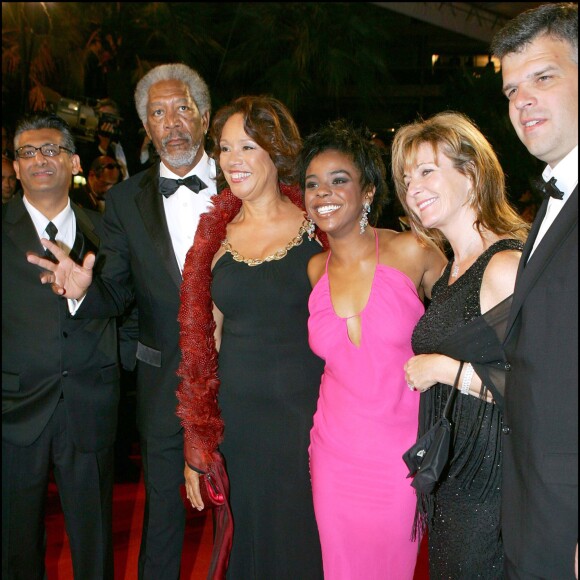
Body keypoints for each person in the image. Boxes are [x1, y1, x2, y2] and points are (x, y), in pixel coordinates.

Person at [26, 63, 217, 579]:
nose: (172, 122)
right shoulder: (126, 199)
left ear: (205, 117)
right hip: (163, 383)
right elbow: (116, 291)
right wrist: (85, 292)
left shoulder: (245, 181)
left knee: (248, 503)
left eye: (182, 108)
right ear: (147, 128)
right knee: (162, 513)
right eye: (158, 113)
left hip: (244, 372)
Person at [177, 95, 325, 579]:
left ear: (275, 151)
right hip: (239, 426)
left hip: (308, 421)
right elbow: (202, 347)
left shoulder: (320, 227)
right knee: (245, 551)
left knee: (303, 545)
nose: (233, 160)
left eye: (247, 146)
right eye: (224, 149)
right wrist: (198, 440)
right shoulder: (212, 238)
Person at [298, 119, 447, 579]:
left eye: (339, 180)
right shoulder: (313, 269)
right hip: (333, 453)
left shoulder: (413, 251)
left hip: (400, 455)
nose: (323, 192)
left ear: (367, 191)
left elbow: (468, 312)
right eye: (312, 184)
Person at [391, 111, 529, 579]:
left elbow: (541, 391)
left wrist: (442, 369)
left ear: (471, 174)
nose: (413, 189)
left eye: (427, 171)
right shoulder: (454, 271)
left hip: (492, 490)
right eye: (407, 178)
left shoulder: (503, 265)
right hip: (458, 482)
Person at [2, 112, 119, 579]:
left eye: (50, 149)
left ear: (73, 160)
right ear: (14, 166)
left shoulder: (107, 231)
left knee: (94, 546)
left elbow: (126, 302)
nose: (39, 160)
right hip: (13, 408)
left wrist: (88, 294)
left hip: (91, 404)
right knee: (14, 548)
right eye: (26, 152)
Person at [490, 4, 578, 578]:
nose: (522, 100)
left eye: (543, 77)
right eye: (511, 89)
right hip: (532, 505)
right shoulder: (552, 198)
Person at [77, 98, 130, 180]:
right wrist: (103, 145)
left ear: (117, 121)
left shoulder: (126, 142)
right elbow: (91, 171)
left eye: (108, 117)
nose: (105, 121)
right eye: (101, 117)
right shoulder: (88, 143)